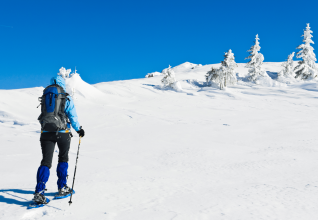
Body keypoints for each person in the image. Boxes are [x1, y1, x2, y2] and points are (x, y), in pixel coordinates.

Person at [33, 75, 85, 204]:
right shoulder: (65, 97)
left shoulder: (46, 96)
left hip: (45, 133)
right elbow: (73, 116)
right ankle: (62, 187)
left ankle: (39, 192)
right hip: (63, 133)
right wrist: (79, 130)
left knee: (45, 162)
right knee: (63, 158)